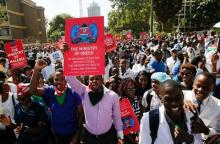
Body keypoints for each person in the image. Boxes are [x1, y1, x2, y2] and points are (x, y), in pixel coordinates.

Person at [30, 59, 83, 144]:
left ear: (67, 80)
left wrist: (77, 134)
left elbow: (80, 114)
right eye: (56, 79)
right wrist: (36, 69)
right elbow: (32, 91)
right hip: (56, 132)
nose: (58, 82)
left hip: (72, 133)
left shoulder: (74, 93)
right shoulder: (50, 91)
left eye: (62, 79)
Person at [65, 75, 124, 144]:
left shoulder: (112, 96)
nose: (94, 81)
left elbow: (116, 117)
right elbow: (69, 78)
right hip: (89, 137)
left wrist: (120, 136)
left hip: (108, 137)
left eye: (97, 79)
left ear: (102, 80)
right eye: (91, 79)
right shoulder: (83, 91)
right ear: (88, 81)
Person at [183, 72, 220, 143]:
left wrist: (206, 130)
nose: (200, 90)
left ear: (213, 89)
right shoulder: (181, 95)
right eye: (198, 85)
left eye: (206, 88)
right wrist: (181, 103)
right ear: (193, 84)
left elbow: (218, 131)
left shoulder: (218, 105)